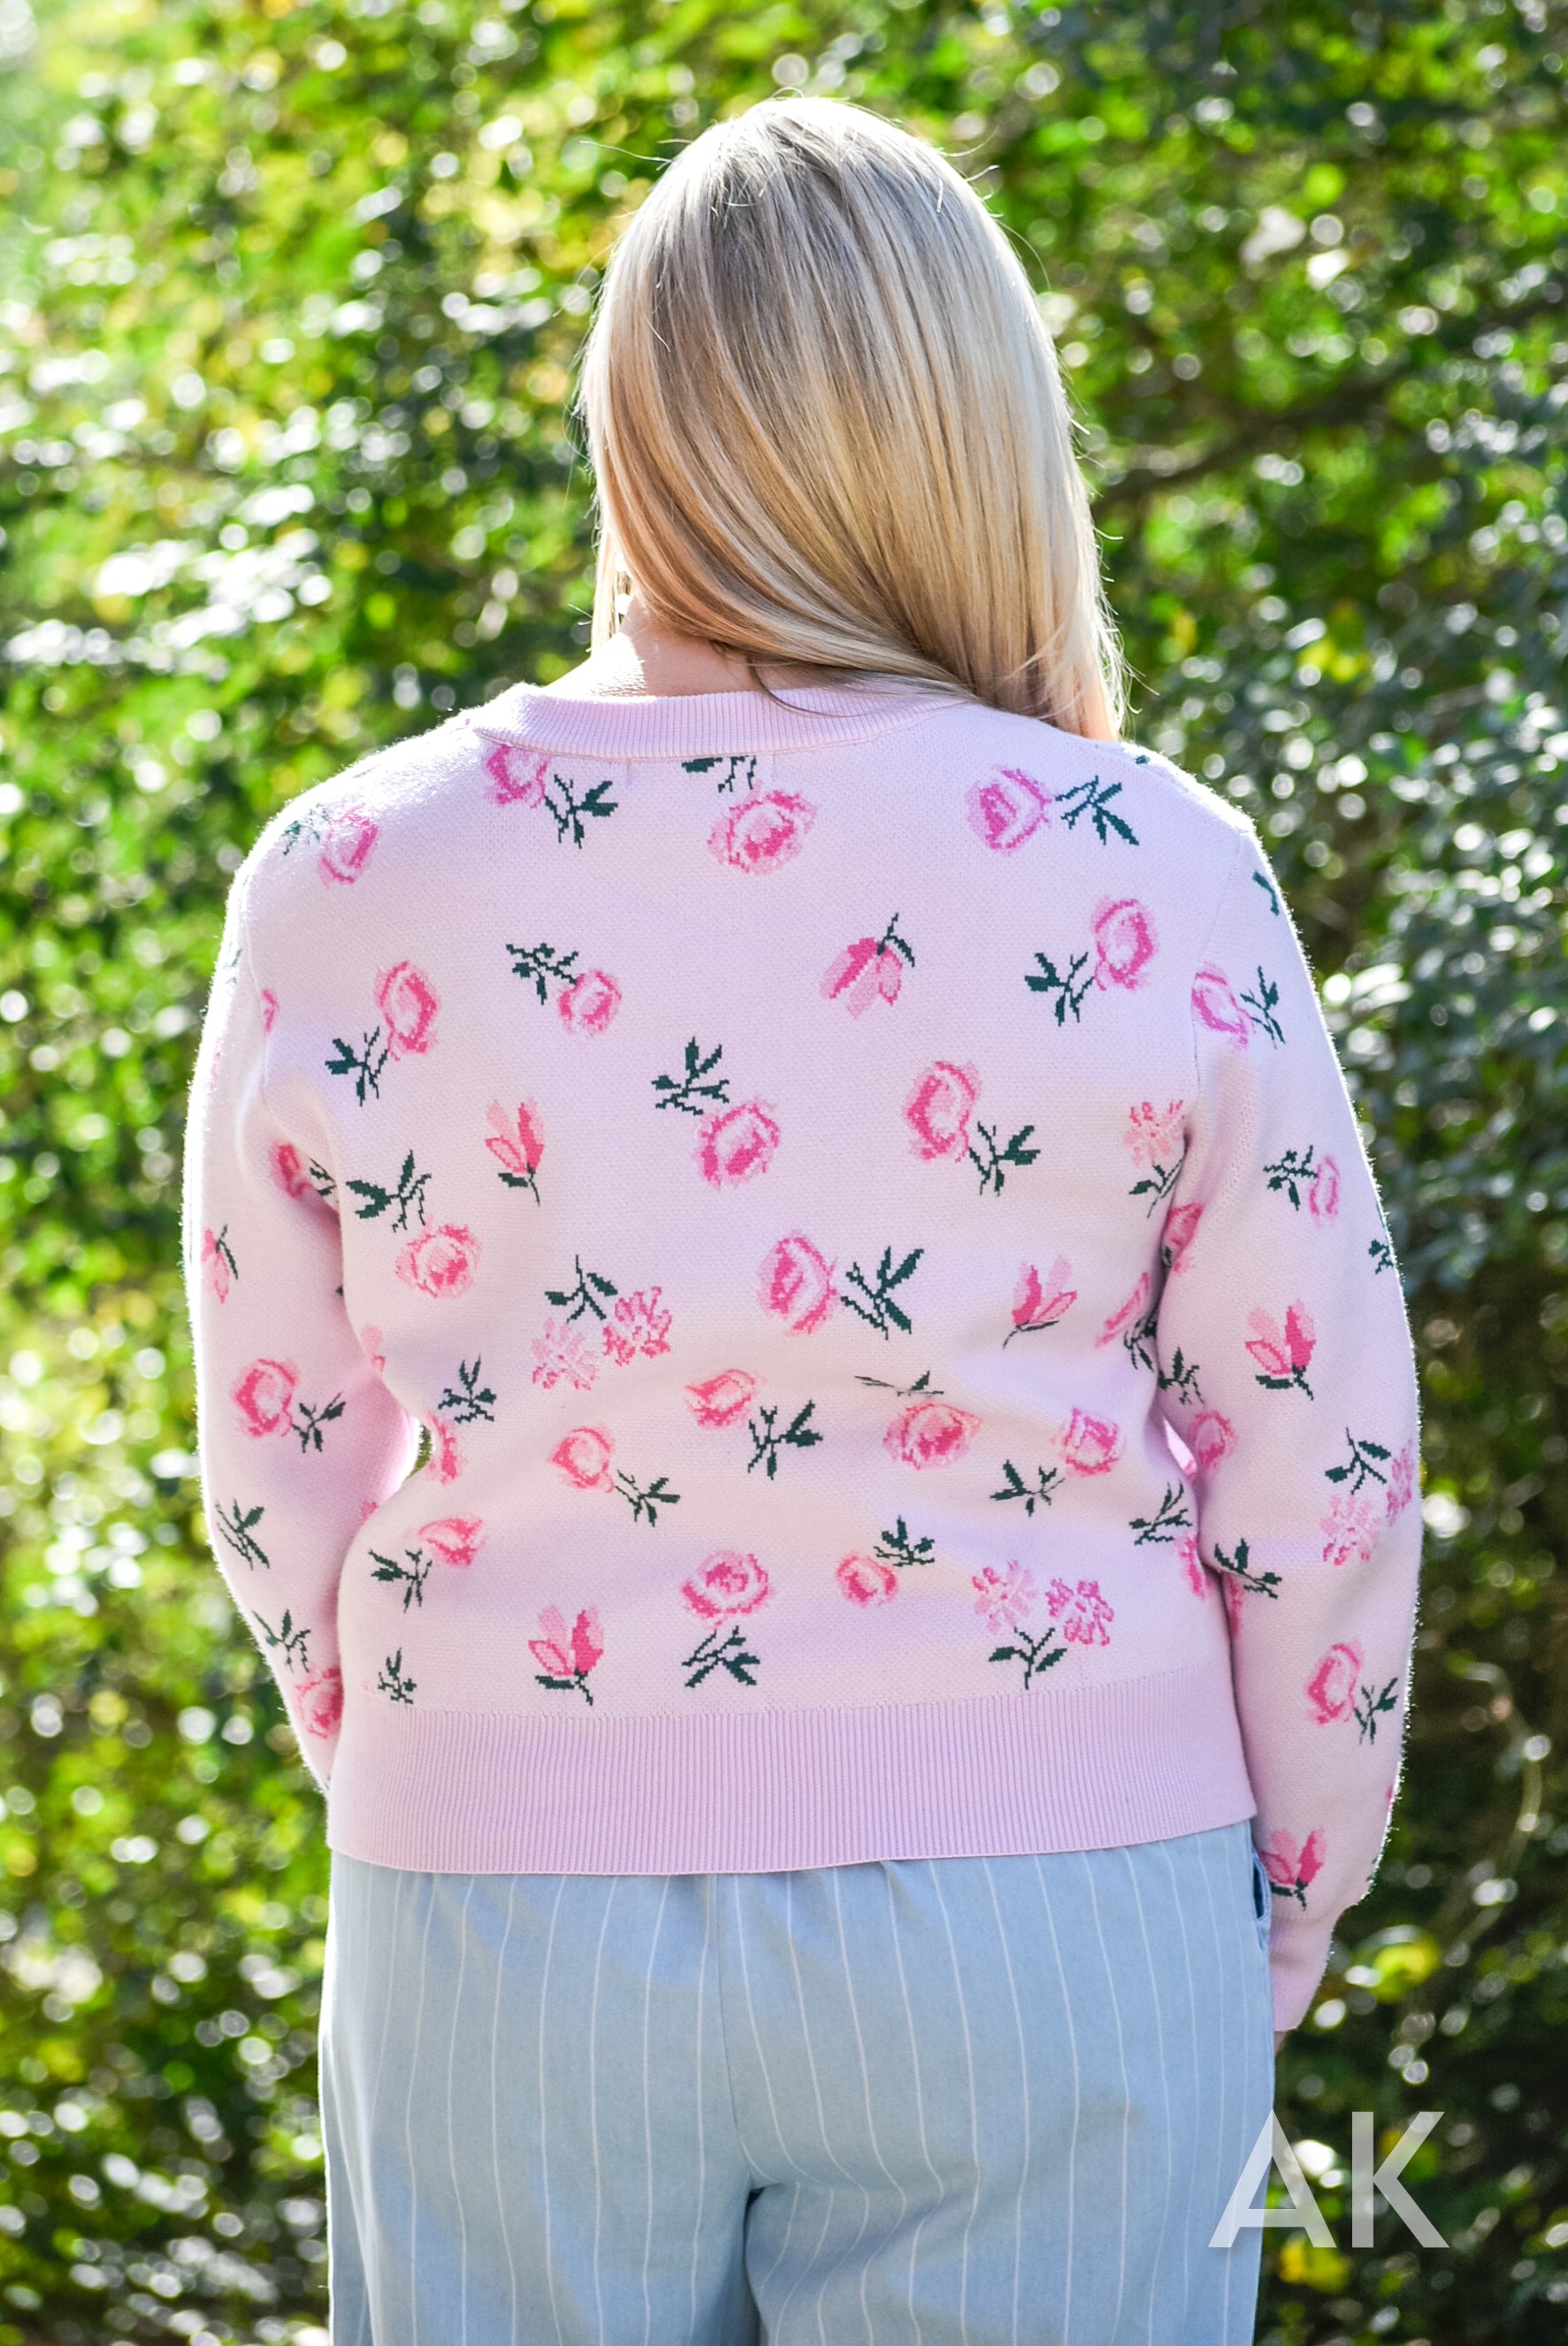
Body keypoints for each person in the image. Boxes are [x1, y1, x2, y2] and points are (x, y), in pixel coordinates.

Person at [183, 95, 1422, 2346]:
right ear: (979, 438)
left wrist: (436, 1759)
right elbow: (1315, 1450)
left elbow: (275, 1444)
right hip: (1061, 1900)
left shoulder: (351, 871)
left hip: (497, 1910)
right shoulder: (1149, 862)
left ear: (628, 426)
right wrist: (1288, 1880)